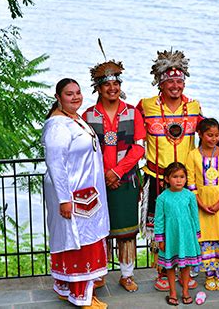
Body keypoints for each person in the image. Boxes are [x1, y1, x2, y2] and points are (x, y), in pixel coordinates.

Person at [137, 49, 202, 291]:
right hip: (156, 178)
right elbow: (131, 134)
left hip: (184, 181)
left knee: (183, 224)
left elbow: (209, 137)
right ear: (160, 83)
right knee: (159, 227)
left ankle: (185, 268)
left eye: (179, 81)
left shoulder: (194, 107)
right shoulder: (145, 106)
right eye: (170, 82)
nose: (175, 86)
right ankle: (163, 271)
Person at [42, 78, 109, 308]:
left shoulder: (75, 119)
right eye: (69, 94)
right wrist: (64, 199)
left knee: (82, 237)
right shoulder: (57, 126)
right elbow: (55, 164)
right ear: (58, 98)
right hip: (71, 193)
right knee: (78, 241)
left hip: (85, 189)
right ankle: (82, 296)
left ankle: (65, 286)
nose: (76, 97)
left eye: (78, 92)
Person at [83, 59, 146, 292]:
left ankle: (126, 275)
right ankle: (99, 273)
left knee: (126, 230)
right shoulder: (88, 116)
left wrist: (117, 171)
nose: (112, 88)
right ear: (98, 88)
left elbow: (139, 147)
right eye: (107, 85)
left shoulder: (132, 113)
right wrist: (105, 174)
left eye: (116, 84)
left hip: (126, 179)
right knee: (99, 229)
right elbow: (86, 150)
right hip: (98, 181)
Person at [186, 118, 219, 291]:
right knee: (205, 239)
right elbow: (190, 181)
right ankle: (209, 275)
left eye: (216, 135)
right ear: (200, 134)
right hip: (201, 203)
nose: (213, 139)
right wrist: (199, 203)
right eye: (209, 135)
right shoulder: (193, 155)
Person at [155, 162, 202, 305]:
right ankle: (173, 292)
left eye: (182, 177)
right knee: (170, 265)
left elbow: (195, 216)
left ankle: (186, 291)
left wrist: (196, 235)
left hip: (187, 236)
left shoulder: (190, 196)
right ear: (167, 179)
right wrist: (160, 239)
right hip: (170, 237)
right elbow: (159, 220)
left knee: (185, 264)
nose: (179, 180)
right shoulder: (162, 198)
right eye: (175, 177)